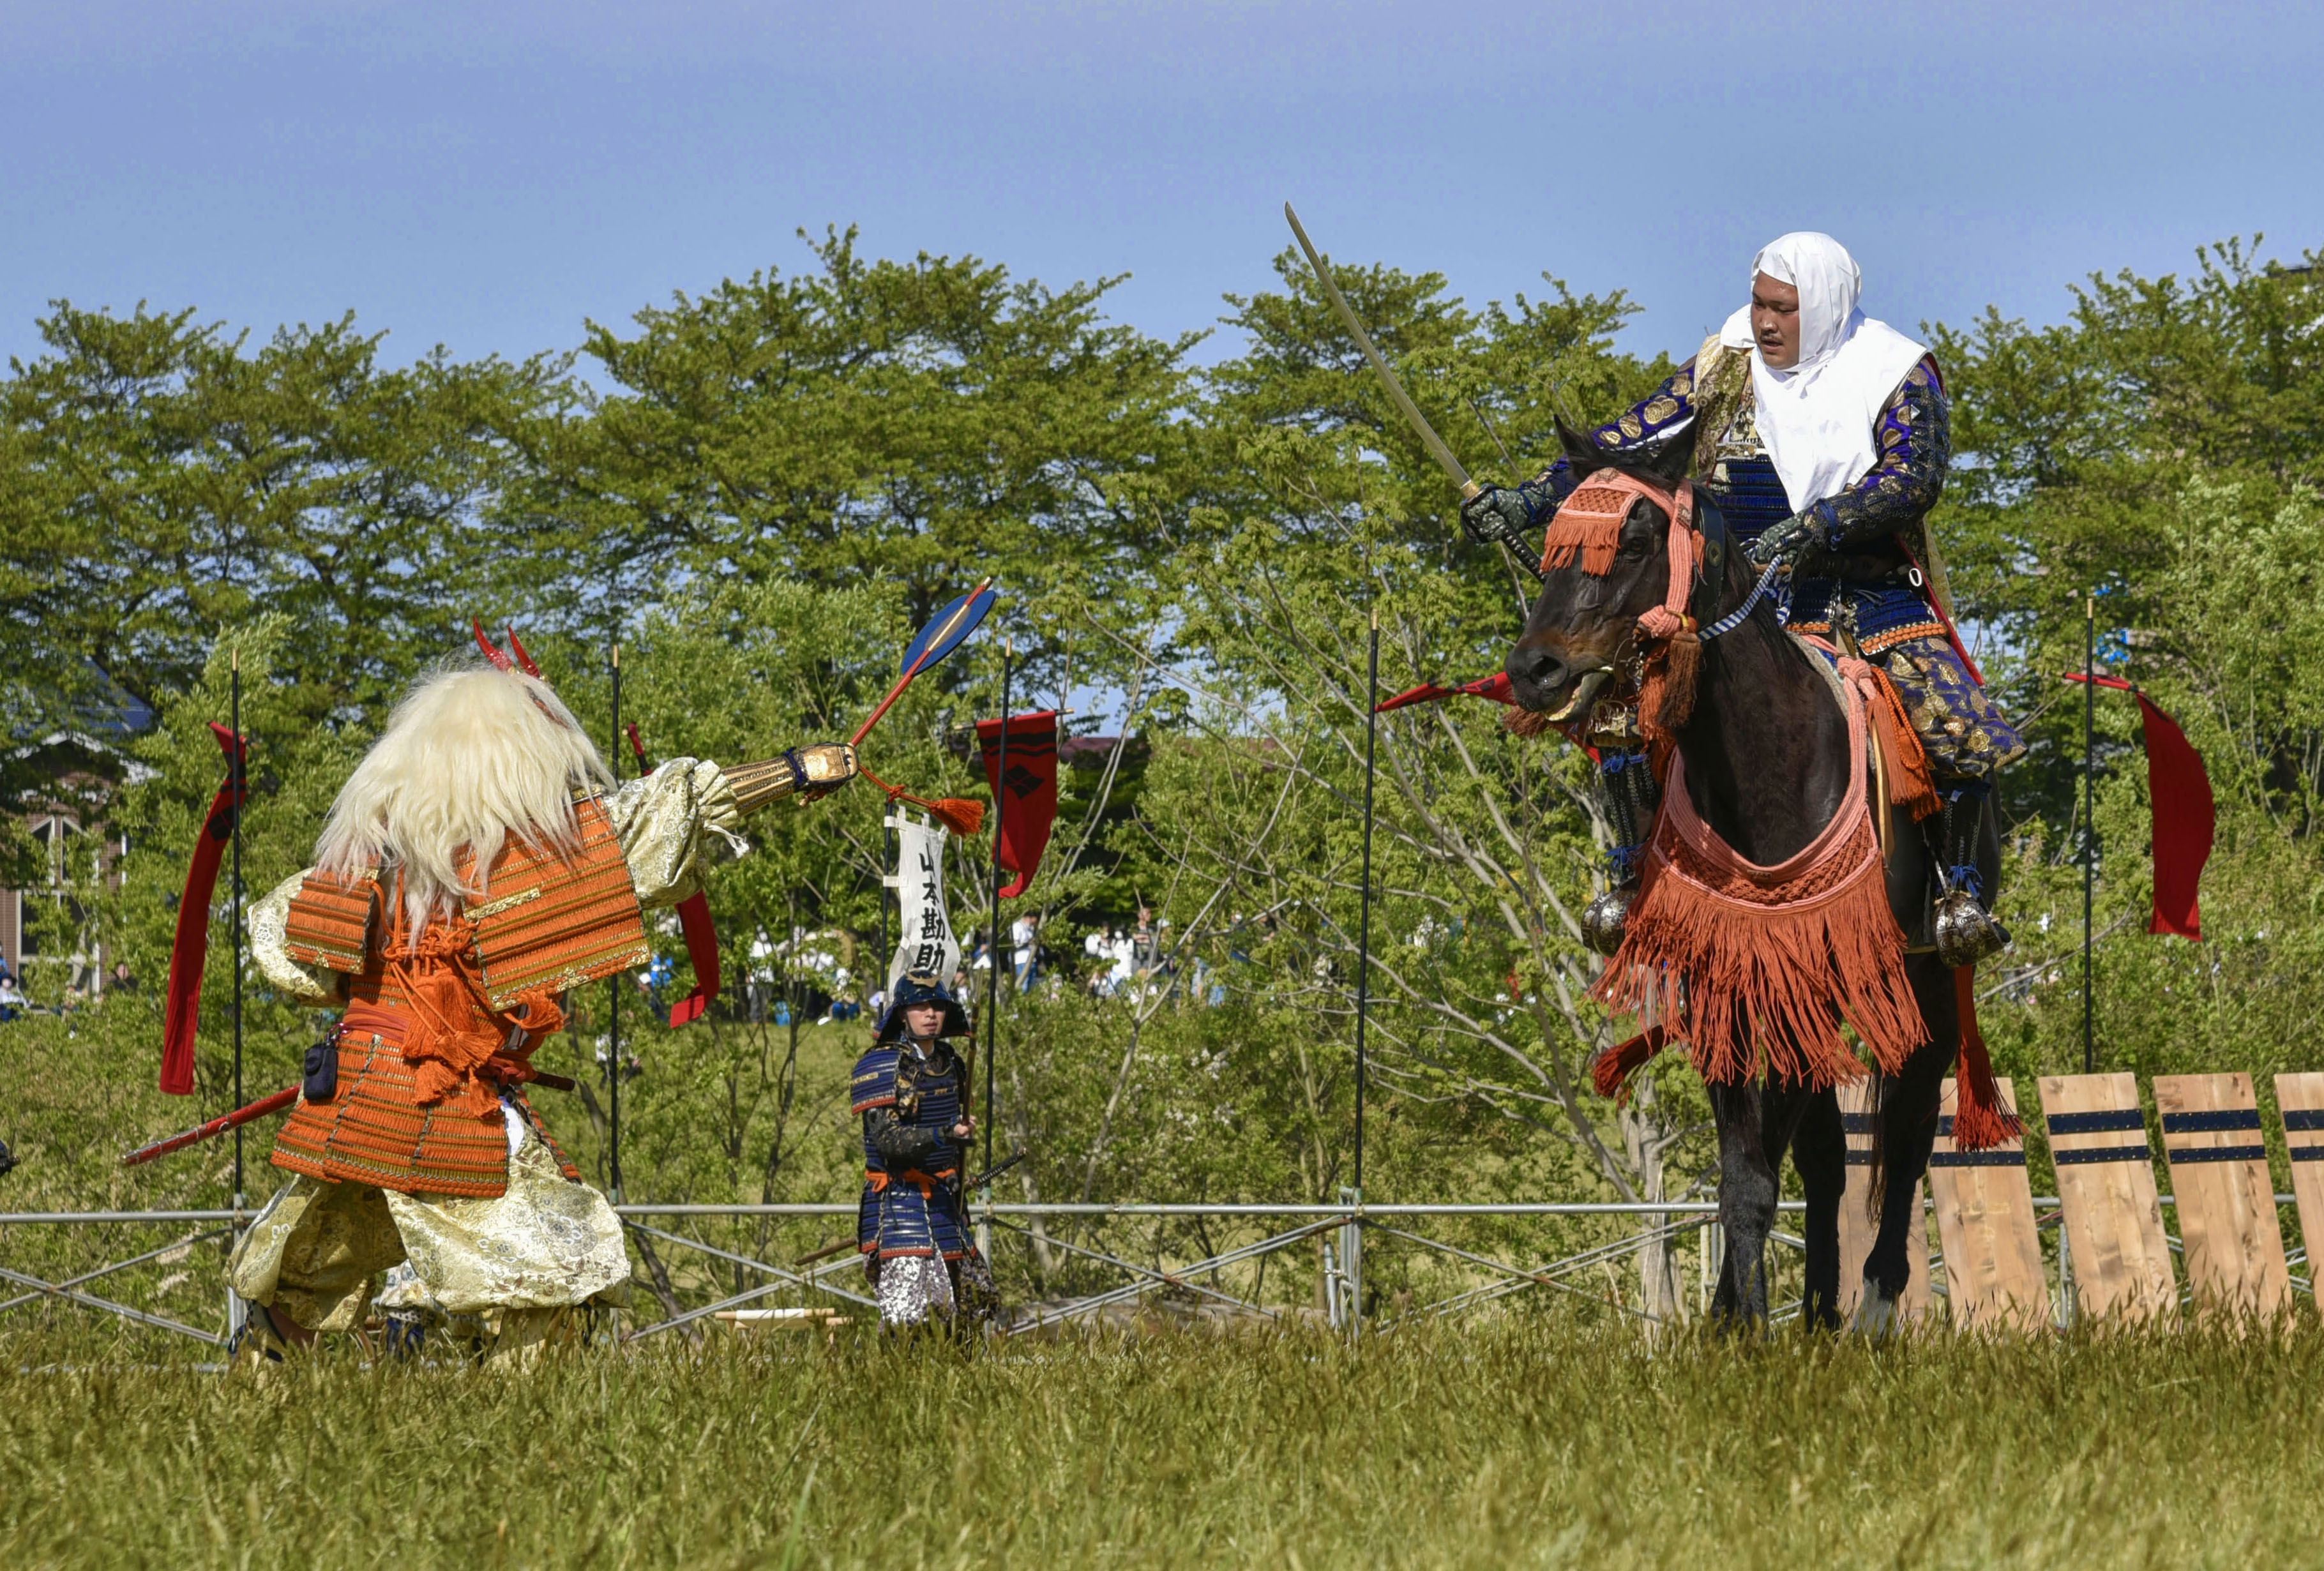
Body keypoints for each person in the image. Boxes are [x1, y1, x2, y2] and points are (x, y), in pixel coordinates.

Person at [227, 644, 861, 1367]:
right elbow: (647, 826)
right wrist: (788, 771)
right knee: (559, 1267)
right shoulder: (520, 861)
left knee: (306, 1273)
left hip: (351, 1101)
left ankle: (261, 1398)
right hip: (440, 1106)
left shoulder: (355, 871)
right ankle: (529, 1438)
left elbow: (282, 941)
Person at [1463, 232, 2023, 964]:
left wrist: (1821, 523)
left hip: (1858, 589)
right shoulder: (1724, 361)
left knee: (1957, 725)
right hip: (1736, 595)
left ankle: (1958, 894)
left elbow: (1913, 478)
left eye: (1781, 309)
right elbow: (1631, 442)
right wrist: (1530, 499)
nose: (1763, 321)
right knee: (1623, 705)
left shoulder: (1897, 371)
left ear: (1819, 307)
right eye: (1758, 302)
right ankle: (1630, 877)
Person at [852, 973, 997, 1330]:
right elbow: (888, 1141)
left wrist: (959, 1138)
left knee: (975, 1306)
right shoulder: (882, 1066)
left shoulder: (951, 1063)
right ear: (903, 1014)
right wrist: (944, 1133)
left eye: (937, 1006)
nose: (930, 1013)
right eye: (920, 1005)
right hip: (900, 1205)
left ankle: (959, 1385)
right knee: (910, 1323)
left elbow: (952, 1136)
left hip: (946, 1204)